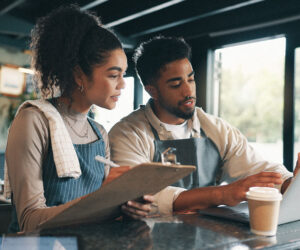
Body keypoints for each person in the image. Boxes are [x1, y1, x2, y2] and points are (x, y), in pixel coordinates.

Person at [109, 36, 298, 216]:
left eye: (190, 79)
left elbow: (256, 168)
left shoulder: (217, 129)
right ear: (152, 91)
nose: (188, 91)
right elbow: (138, 195)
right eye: (176, 84)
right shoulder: (127, 134)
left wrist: (290, 183)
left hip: (207, 234)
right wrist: (222, 194)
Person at [4, 5, 152, 233]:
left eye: (123, 75)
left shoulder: (99, 133)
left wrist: (126, 207)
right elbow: (29, 221)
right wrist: (101, 202)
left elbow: (100, 215)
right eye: (113, 75)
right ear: (78, 75)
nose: (122, 85)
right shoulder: (35, 120)